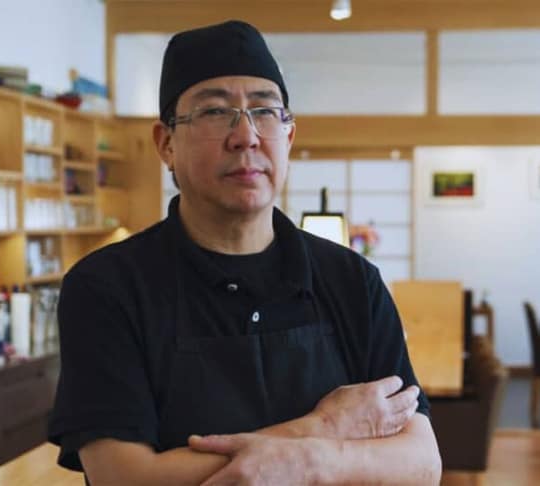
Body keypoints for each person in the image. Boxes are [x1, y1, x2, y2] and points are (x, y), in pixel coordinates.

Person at [48, 20, 441, 485]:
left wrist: (313, 461)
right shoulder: (106, 287)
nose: (246, 136)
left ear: (288, 138)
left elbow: (422, 463)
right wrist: (324, 427)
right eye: (215, 112)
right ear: (166, 143)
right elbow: (125, 478)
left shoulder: (353, 281)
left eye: (265, 111)